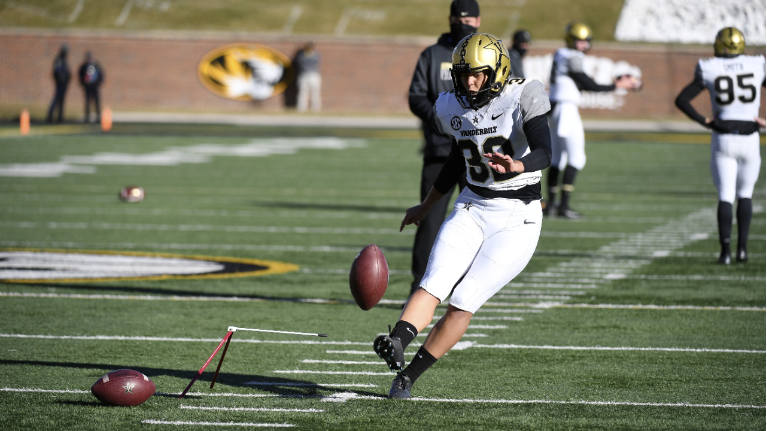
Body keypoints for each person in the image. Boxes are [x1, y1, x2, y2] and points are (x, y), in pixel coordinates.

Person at [374, 33, 552, 399]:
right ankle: (396, 341)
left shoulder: (523, 93)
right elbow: (458, 158)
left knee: (465, 298)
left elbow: (545, 151)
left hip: (518, 217)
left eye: (479, 74)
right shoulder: (451, 105)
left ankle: (408, 377)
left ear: (498, 71)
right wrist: (425, 206)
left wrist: (517, 164)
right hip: (473, 204)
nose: (470, 82)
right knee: (434, 279)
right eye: (463, 74)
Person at [407, 0, 481, 296]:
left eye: (468, 19)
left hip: (476, 152)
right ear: (450, 19)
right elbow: (416, 97)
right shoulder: (432, 54)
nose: (462, 23)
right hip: (440, 149)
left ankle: (470, 289)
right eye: (458, 19)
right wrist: (441, 119)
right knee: (429, 219)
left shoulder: (485, 53)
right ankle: (419, 287)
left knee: (477, 220)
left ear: (477, 21)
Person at [675, 27, 765, 265]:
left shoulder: (709, 66)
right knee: (745, 195)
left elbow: (681, 100)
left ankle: (725, 253)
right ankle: (742, 250)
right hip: (750, 138)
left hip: (723, 137)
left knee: (726, 196)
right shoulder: (758, 64)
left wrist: (703, 121)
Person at [546, 22, 638, 218]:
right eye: (580, 41)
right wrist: (617, 85)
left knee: (557, 159)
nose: (584, 45)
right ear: (572, 40)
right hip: (566, 108)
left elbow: (578, 82)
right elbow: (590, 84)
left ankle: (552, 205)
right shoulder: (572, 56)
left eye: (585, 41)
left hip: (553, 108)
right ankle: (563, 206)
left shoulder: (560, 53)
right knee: (576, 158)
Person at [47, 45, 71, 123]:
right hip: (60, 84)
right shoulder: (59, 60)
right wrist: (62, 80)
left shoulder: (64, 60)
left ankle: (60, 117)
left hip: (64, 84)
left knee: (62, 101)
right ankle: (50, 117)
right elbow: (57, 72)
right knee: (56, 99)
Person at [78, 51, 104, 123]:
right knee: (87, 102)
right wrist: (83, 83)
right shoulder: (84, 66)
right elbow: (80, 75)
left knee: (97, 101)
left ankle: (98, 117)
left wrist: (98, 83)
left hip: (95, 86)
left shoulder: (96, 65)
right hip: (87, 86)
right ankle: (87, 117)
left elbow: (101, 74)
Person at [295, 42, 321, 112]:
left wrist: (312, 54)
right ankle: (301, 109)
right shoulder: (302, 54)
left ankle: (316, 109)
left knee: (315, 92)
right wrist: (304, 54)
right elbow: (300, 61)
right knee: (302, 92)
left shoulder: (316, 54)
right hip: (304, 74)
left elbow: (317, 60)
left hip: (313, 74)